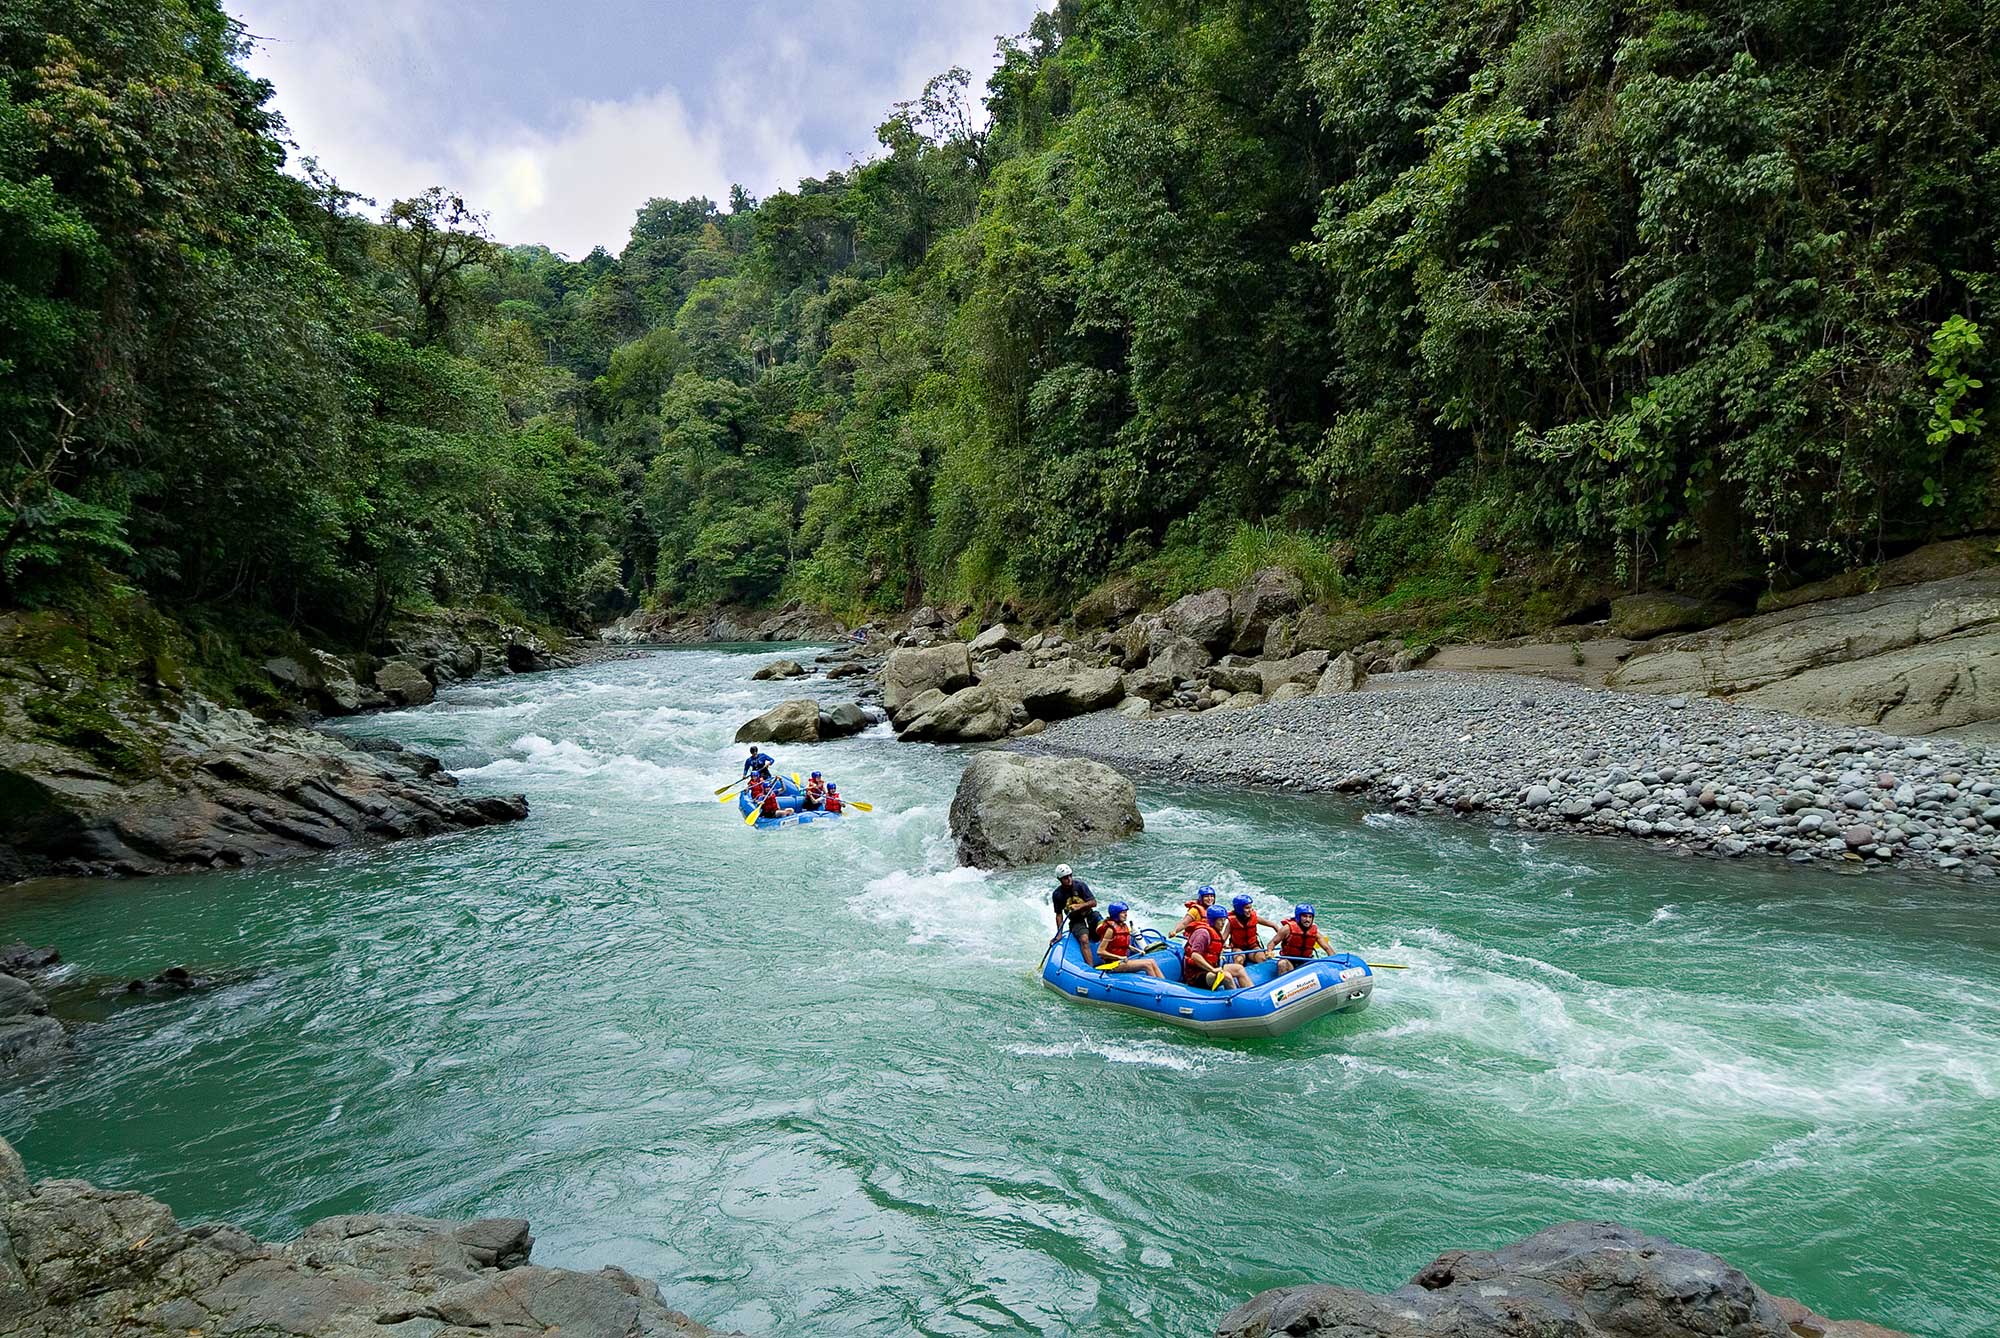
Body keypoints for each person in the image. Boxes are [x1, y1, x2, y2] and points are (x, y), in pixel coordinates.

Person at [1183, 905, 1251, 990]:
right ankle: (1236, 1000)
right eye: (1220, 920)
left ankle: (1252, 994)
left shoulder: (1215, 931)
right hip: (1196, 975)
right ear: (1212, 921)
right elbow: (1195, 956)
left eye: (1224, 920)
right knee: (1226, 976)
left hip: (1210, 969)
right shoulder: (1203, 934)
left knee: (1239, 969)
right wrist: (1212, 970)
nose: (1223, 923)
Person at [1093, 903, 1164, 978]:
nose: (1126, 915)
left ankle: (1164, 984)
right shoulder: (1110, 930)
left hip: (1121, 961)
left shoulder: (1123, 926)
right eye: (1123, 913)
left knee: (1152, 961)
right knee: (1147, 964)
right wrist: (1119, 957)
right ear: (1116, 914)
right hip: (1112, 964)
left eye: (1126, 912)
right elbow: (1100, 951)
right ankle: (1157, 988)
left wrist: (1138, 950)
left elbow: (1123, 945)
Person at [1050, 864, 1102, 964]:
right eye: (1065, 878)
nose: (1069, 879)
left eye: (1070, 875)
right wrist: (1059, 934)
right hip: (1076, 920)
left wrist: (1079, 906)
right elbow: (1059, 915)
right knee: (1084, 939)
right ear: (1060, 879)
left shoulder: (1080, 885)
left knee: (1105, 927)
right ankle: (1090, 969)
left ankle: (1110, 957)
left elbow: (1093, 903)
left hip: (1090, 914)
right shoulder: (1057, 894)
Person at [1272, 904, 1330, 976]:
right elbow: (1273, 943)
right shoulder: (1287, 929)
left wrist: (1335, 962)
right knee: (1282, 964)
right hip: (1289, 960)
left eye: (1310, 917)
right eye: (1304, 916)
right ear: (1298, 917)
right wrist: (1269, 952)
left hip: (1306, 962)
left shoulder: (1315, 933)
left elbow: (1327, 948)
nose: (1307, 920)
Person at [1221, 893, 1273, 967]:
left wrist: (1281, 937)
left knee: (1262, 958)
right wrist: (1223, 945)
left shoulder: (1254, 918)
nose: (1250, 910)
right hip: (1238, 948)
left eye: (1251, 907)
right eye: (1247, 908)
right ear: (1239, 909)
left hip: (1253, 947)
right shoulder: (1232, 922)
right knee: (1239, 960)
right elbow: (1223, 938)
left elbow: (1273, 925)